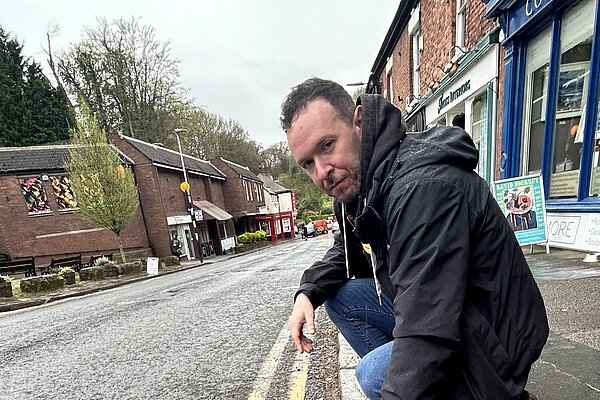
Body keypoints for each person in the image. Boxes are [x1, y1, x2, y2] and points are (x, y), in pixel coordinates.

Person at [282, 78, 548, 399]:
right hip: (451, 311)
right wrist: (307, 292)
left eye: (327, 145)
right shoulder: (366, 186)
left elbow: (427, 326)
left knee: (373, 373)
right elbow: (346, 252)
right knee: (343, 298)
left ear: (359, 122)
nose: (322, 171)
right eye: (308, 163)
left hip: (495, 336)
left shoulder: (421, 189)